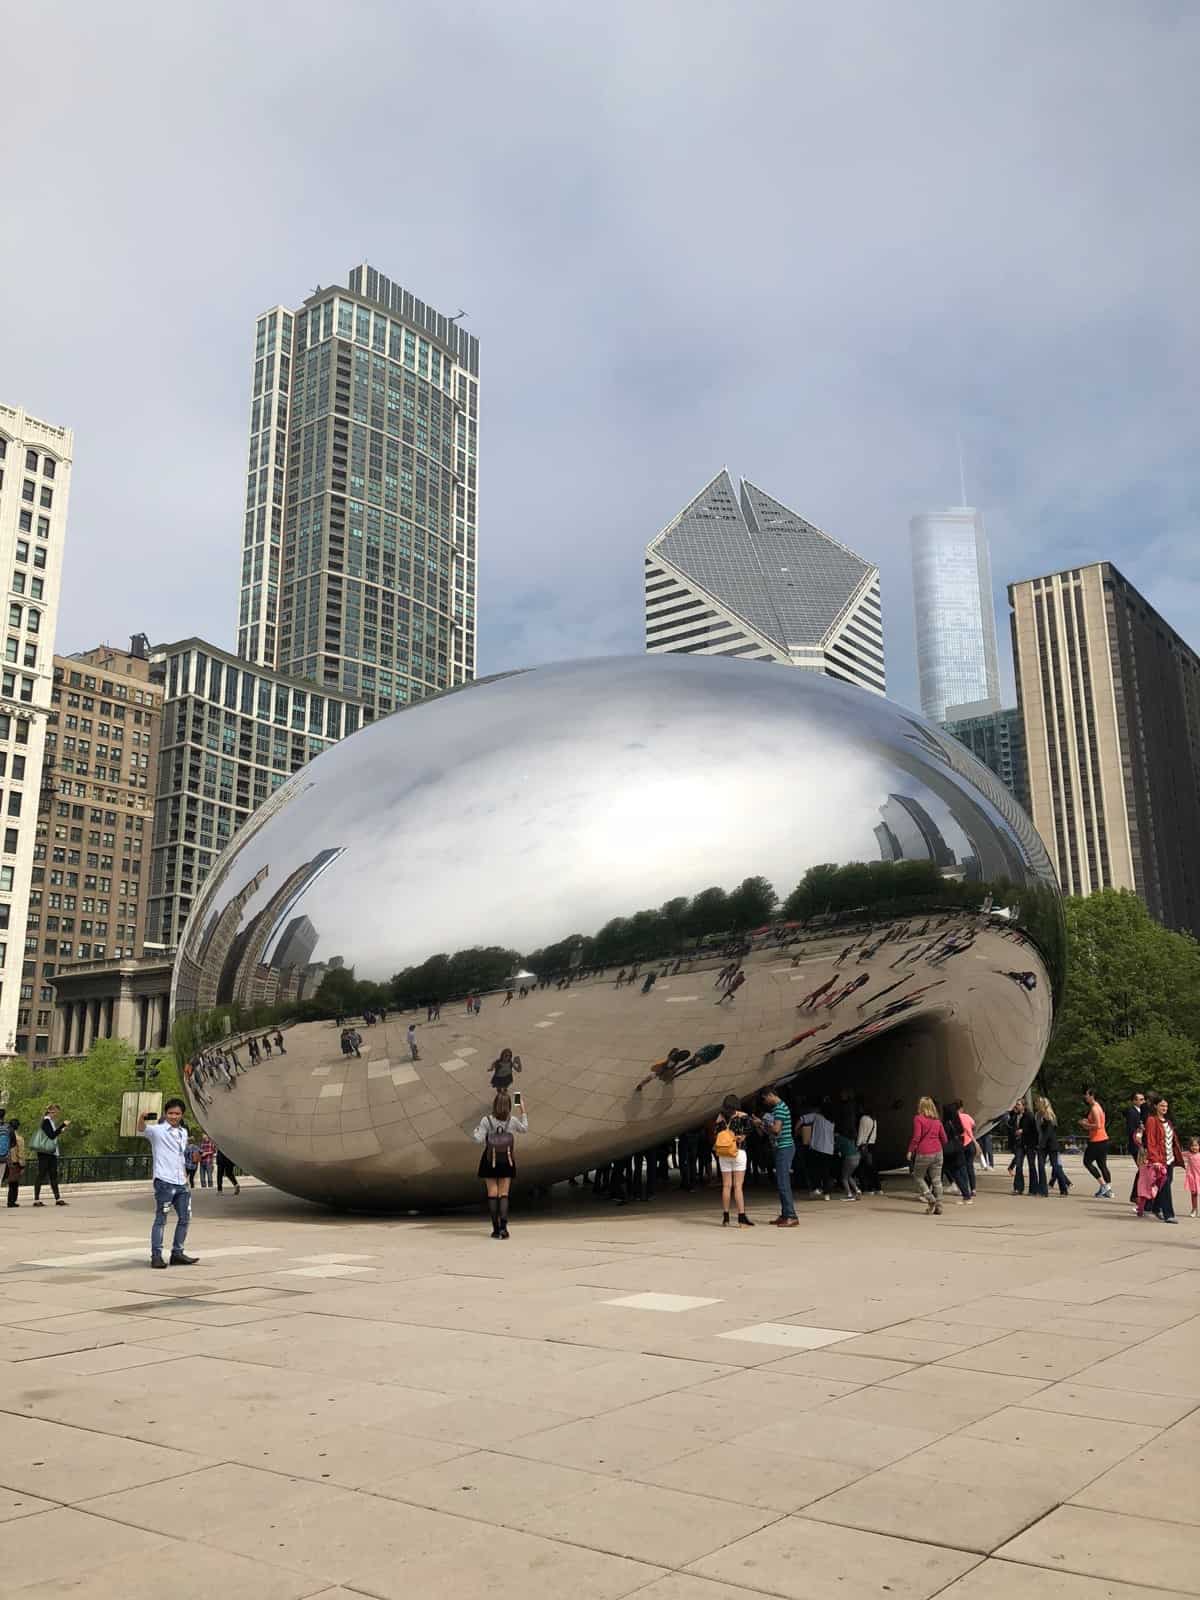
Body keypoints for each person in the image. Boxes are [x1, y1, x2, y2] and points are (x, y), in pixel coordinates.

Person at [137, 1101, 198, 1268]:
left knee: (185, 1218)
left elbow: (180, 1155)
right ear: (165, 1114)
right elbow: (142, 1129)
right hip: (164, 1181)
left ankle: (177, 1253)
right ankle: (156, 1255)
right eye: (171, 1113)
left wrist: (185, 1175)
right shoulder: (157, 1131)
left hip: (181, 1182)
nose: (174, 1117)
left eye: (177, 1114)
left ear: (181, 1115)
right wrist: (141, 1118)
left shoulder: (183, 1132)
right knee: (161, 1219)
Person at [472, 1090, 529, 1239]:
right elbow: (525, 1129)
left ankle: (495, 1229)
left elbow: (478, 1139)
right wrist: (523, 1110)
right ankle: (504, 1229)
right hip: (507, 1160)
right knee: (504, 1195)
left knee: (492, 1194)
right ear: (509, 1105)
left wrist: (476, 1130)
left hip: (489, 1160)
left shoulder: (486, 1120)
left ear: (495, 1105)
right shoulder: (512, 1121)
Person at [712, 1093, 755, 1227]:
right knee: (738, 1186)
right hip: (738, 1152)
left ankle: (726, 1217)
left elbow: (715, 1132)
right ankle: (741, 1217)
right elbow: (749, 1130)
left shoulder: (720, 1117)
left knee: (726, 1186)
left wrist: (719, 1122)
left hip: (724, 1153)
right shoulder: (742, 1117)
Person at [759, 1087, 798, 1226]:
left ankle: (791, 1216)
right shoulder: (778, 1108)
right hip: (781, 1148)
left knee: (783, 1183)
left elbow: (776, 1130)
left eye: (765, 1099)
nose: (765, 1102)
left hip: (784, 1148)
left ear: (770, 1095)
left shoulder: (780, 1109)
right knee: (781, 1182)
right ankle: (785, 1214)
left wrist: (762, 1124)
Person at [1142, 1097, 1182, 1224]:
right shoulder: (1151, 1120)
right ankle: (1168, 1214)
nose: (1164, 1108)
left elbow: (1172, 1141)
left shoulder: (1168, 1122)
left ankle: (1153, 1207)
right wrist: (1155, 1159)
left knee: (1166, 1183)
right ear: (1155, 1106)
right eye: (1161, 1106)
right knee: (1165, 1186)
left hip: (1169, 1158)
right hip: (1159, 1159)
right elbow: (1151, 1141)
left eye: (1166, 1106)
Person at [908, 1095, 946, 1215]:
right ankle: (939, 1205)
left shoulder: (918, 1119)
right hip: (938, 1152)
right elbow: (944, 1139)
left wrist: (910, 1150)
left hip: (924, 1152)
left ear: (921, 1106)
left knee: (918, 1176)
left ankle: (930, 1198)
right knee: (937, 1180)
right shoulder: (937, 1121)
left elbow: (916, 1137)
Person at [31, 1103, 70, 1206]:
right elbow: (52, 1136)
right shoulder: (46, 1121)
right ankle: (36, 1199)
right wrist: (63, 1125)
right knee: (41, 1174)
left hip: (51, 1152)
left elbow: (53, 1134)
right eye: (55, 1112)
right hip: (45, 1152)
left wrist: (61, 1130)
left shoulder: (50, 1122)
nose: (56, 1115)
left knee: (53, 1174)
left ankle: (58, 1198)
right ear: (51, 1111)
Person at [797, 1101, 836, 1197]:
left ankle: (816, 1188)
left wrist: (796, 1130)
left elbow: (802, 1119)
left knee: (814, 1169)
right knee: (826, 1172)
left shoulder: (816, 1116)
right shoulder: (832, 1121)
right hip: (829, 1149)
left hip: (817, 1148)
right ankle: (827, 1194)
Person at [1034, 1095, 1071, 1195]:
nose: (1036, 1104)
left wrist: (1041, 1145)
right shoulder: (1040, 1115)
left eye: (1038, 1102)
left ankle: (1059, 1189)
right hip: (1046, 1144)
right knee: (1048, 1166)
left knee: (1052, 1166)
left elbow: (1048, 1133)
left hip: (1047, 1145)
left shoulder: (1048, 1116)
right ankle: (1050, 1190)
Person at [1080, 1089, 1113, 1198]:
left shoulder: (1095, 1108)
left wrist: (1085, 1124)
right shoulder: (1099, 1106)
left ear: (1092, 1096)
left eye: (1087, 1095)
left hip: (1097, 1140)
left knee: (1087, 1162)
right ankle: (1108, 1189)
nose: (1085, 1097)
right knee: (1102, 1164)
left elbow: (1098, 1125)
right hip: (1103, 1139)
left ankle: (1103, 1185)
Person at [856, 1103, 880, 1193]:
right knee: (872, 1167)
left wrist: (858, 1145)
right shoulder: (874, 1119)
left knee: (862, 1168)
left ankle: (866, 1188)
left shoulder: (863, 1118)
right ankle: (877, 1188)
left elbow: (861, 1133)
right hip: (872, 1145)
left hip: (864, 1145)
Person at [4, 1117, 25, 1207]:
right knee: (14, 1183)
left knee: (9, 1182)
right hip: (14, 1162)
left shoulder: (5, 1136)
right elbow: (21, 1153)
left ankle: (11, 1201)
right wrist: (22, 1165)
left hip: (4, 1161)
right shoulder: (19, 1139)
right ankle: (11, 1201)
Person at [1183, 1137, 1200, 1219]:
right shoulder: (1188, 1154)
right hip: (1192, 1177)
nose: (1194, 1147)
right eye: (1192, 1145)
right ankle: (1194, 1209)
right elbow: (1179, 1153)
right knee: (1194, 1194)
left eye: (1196, 1145)